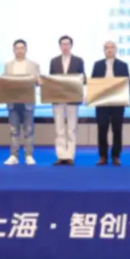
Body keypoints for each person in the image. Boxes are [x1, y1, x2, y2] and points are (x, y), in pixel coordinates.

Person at [91, 41, 130, 166]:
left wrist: (127, 98)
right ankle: (103, 156)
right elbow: (93, 83)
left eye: (112, 47)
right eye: (107, 48)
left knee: (117, 129)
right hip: (101, 102)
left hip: (117, 102)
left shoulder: (123, 65)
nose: (109, 50)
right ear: (104, 50)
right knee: (102, 128)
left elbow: (127, 83)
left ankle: (116, 156)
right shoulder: (97, 65)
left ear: (116, 50)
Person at [49, 35, 85, 166]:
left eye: (67, 44)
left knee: (72, 128)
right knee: (59, 128)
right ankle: (61, 155)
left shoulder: (78, 61)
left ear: (71, 45)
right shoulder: (54, 61)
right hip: (57, 98)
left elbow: (83, 79)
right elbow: (51, 80)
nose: (65, 46)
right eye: (63, 44)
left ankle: (70, 155)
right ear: (60, 46)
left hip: (73, 98)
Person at [4, 39, 40, 166]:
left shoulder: (34, 65)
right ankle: (14, 156)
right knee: (14, 131)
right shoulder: (8, 65)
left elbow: (38, 83)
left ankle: (29, 155)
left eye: (22, 48)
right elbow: (4, 82)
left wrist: (38, 81)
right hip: (13, 102)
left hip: (28, 102)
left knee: (29, 130)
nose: (19, 50)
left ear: (26, 49)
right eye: (17, 48)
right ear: (13, 50)